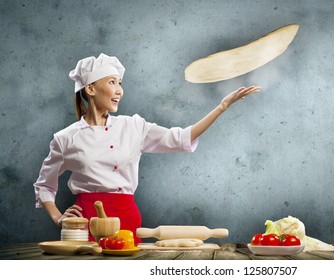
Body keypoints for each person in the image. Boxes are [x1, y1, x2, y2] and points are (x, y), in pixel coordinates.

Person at [34, 53, 261, 243]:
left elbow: (181, 137)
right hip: (85, 228)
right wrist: (58, 218)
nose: (120, 90)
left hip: (129, 223)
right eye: (112, 82)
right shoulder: (66, 138)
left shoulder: (133, 126)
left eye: (120, 83)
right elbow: (44, 185)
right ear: (91, 88)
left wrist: (222, 107)